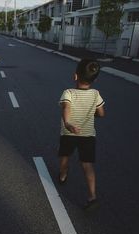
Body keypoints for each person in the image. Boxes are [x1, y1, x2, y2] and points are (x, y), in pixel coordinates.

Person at [58, 59, 105, 210]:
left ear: (75, 76)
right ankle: (92, 196)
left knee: (65, 157)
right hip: (88, 136)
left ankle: (63, 175)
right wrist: (92, 113)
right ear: (95, 79)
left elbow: (66, 107)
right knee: (87, 165)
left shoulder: (68, 92)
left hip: (68, 134)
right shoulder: (96, 94)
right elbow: (101, 113)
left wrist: (68, 123)